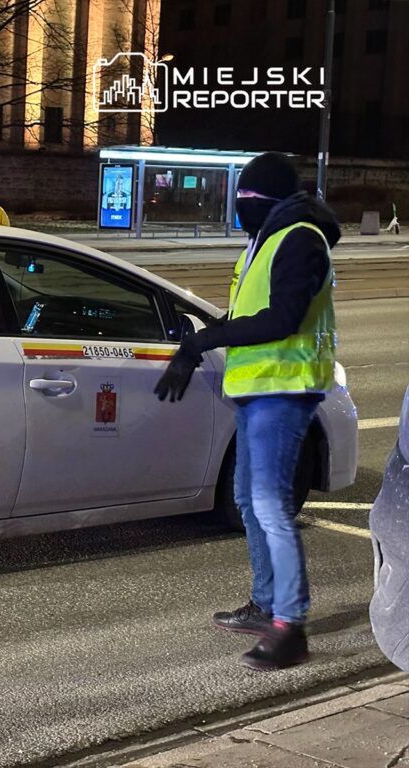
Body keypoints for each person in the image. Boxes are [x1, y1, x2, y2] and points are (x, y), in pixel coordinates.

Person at [154, 151, 340, 671]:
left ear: (271, 199)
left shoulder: (301, 238)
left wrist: (202, 345)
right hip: (258, 390)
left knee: (271, 505)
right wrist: (201, 335)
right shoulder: (267, 239)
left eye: (248, 197)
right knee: (249, 499)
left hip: (285, 388)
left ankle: (290, 624)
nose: (240, 206)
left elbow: (282, 317)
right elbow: (247, 312)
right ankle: (266, 604)